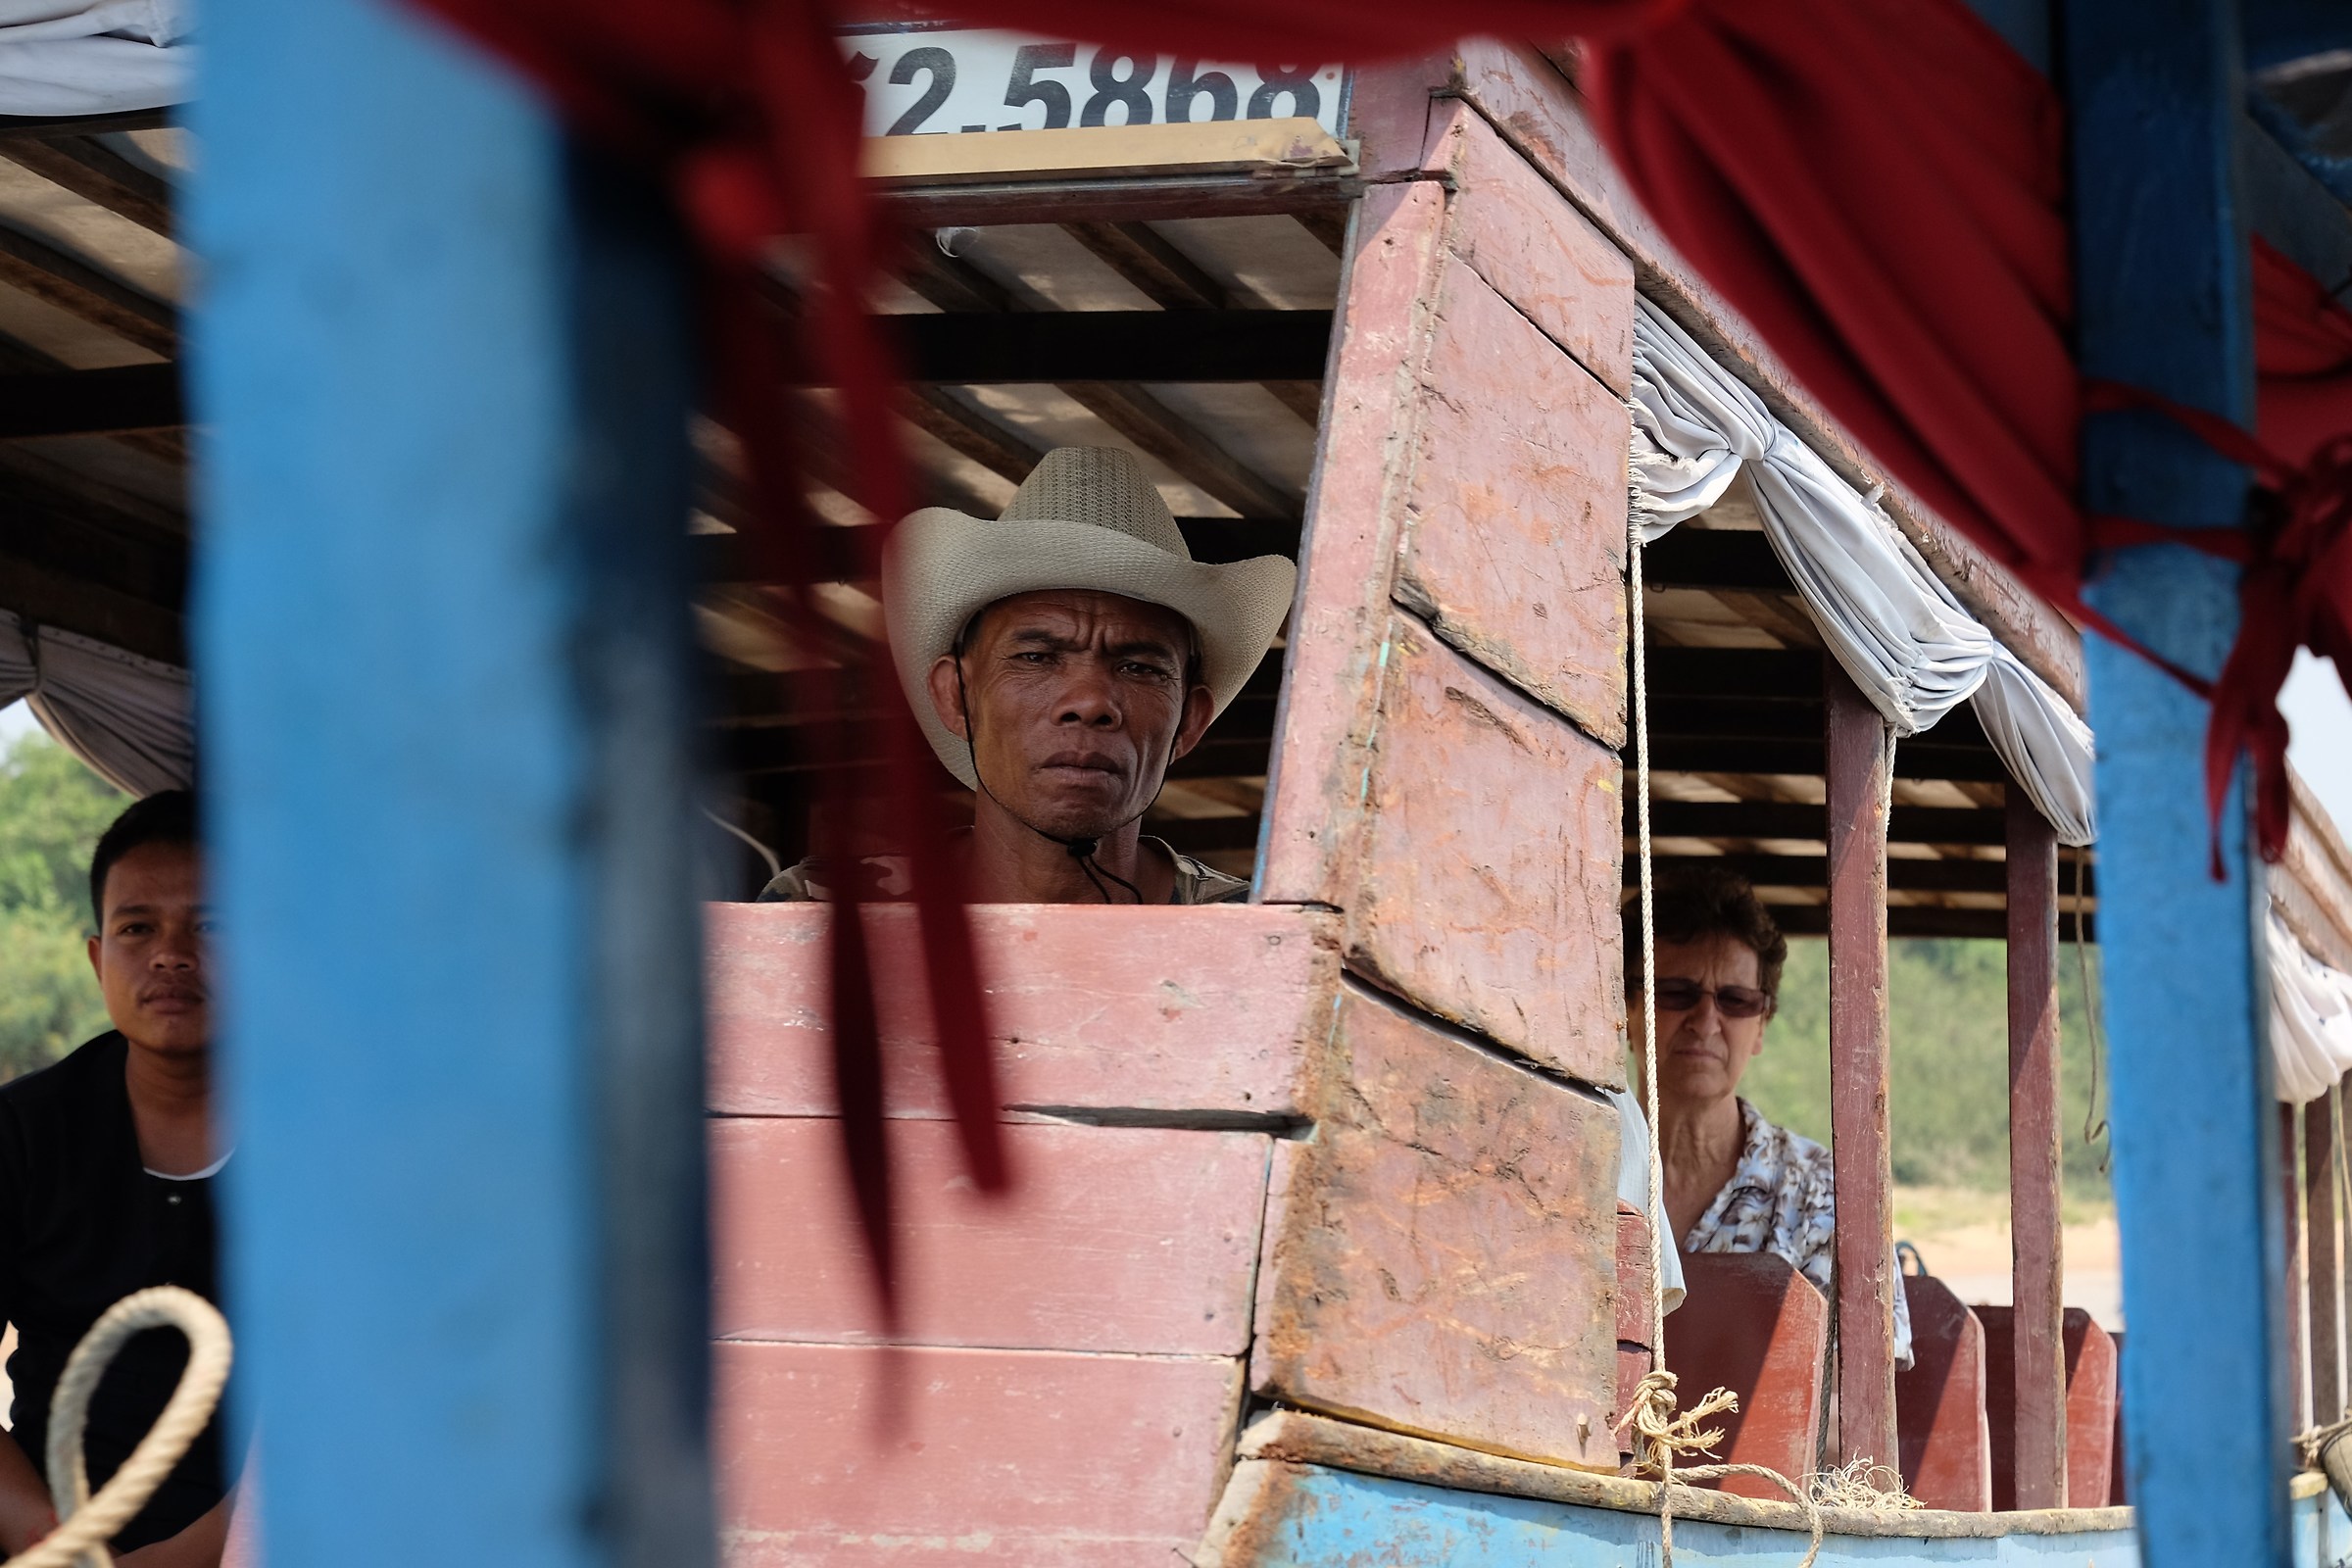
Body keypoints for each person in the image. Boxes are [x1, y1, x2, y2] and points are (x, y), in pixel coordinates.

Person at [760, 445, 1297, 905]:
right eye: (1036, 658)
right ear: (957, 697)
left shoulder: (1251, 938)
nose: (1088, 701)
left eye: (1138, 666)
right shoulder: (825, 915)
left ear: (1190, 720)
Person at [0, 790, 234, 1565]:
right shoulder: (22, 1130)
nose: (172, 953)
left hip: (257, 1536)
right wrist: (62, 1550)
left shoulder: (331, 1145)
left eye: (210, 925)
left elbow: (342, 1421)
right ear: (100, 958)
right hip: (45, 1529)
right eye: (139, 928)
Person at [1626, 867, 1912, 1368]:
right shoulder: (1583, 1170)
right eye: (1677, 993)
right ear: (1628, 1008)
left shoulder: (1826, 1195)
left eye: (1735, 1001)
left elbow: (1859, 1401)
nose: (1706, 1021)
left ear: (1761, 1026)